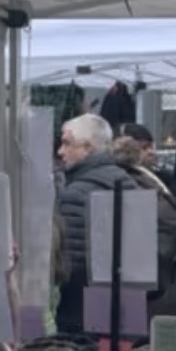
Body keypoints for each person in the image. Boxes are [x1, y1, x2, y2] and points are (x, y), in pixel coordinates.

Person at [55, 114, 138, 334]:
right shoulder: (130, 184)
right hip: (128, 307)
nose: (60, 152)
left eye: (67, 143)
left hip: (80, 312)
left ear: (87, 148)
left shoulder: (74, 194)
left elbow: (71, 267)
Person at [113, 133, 176, 318]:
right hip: (152, 274)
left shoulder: (110, 179)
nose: (151, 152)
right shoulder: (143, 182)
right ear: (134, 154)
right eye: (144, 148)